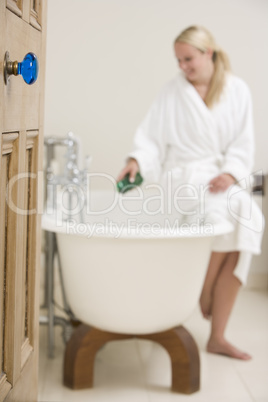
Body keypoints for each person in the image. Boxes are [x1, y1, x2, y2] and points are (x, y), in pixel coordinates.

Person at [117, 25, 264, 360]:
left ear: (208, 52)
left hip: (220, 178)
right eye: (178, 60)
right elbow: (150, 139)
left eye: (188, 59)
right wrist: (136, 161)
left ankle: (214, 319)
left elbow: (243, 144)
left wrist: (230, 172)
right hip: (182, 180)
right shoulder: (172, 92)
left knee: (250, 216)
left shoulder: (237, 90)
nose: (182, 67)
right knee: (219, 214)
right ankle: (202, 291)